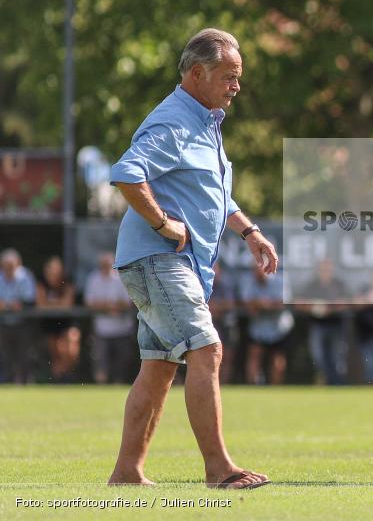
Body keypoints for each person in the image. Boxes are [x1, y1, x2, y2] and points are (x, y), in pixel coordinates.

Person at [107, 28, 278, 489]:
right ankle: (220, 469)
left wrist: (250, 232)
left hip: (173, 264)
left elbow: (214, 195)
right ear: (198, 73)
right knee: (208, 349)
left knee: (160, 366)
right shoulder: (175, 121)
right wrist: (163, 223)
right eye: (229, 75)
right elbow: (127, 173)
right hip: (158, 257)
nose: (236, 85)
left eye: (238, 76)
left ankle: (127, 473)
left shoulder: (205, 122)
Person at [84, 252, 136, 384]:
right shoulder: (93, 278)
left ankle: (118, 383)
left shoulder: (121, 277)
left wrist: (109, 305)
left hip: (122, 328)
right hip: (101, 329)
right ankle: (101, 386)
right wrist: (108, 306)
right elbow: (89, 303)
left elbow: (128, 302)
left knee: (123, 360)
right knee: (100, 362)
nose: (105, 267)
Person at [297, 258, 351, 385]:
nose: (325, 272)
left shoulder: (338, 284)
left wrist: (330, 308)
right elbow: (299, 303)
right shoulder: (313, 285)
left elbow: (348, 302)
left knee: (337, 357)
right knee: (318, 356)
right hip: (318, 325)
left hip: (336, 324)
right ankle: (323, 381)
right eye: (322, 269)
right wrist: (313, 307)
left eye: (327, 269)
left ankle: (337, 385)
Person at [241, 265, 292, 385]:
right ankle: (252, 387)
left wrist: (264, 305)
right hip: (258, 327)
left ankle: (275, 389)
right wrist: (266, 304)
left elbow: (283, 303)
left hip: (279, 327)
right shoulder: (249, 281)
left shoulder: (281, 280)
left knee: (277, 359)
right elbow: (247, 305)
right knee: (254, 355)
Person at [36, 256, 79, 382]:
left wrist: (50, 304)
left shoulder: (67, 281)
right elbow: (41, 305)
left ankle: (65, 375)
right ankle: (59, 379)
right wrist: (58, 304)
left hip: (67, 321)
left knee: (71, 349)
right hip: (49, 322)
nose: (53, 274)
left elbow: (67, 305)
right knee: (56, 352)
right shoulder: (41, 282)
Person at [0, 248, 37, 384]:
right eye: (6, 267)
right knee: (5, 356)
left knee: (24, 355)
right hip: (4, 323)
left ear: (18, 264)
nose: (8, 270)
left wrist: (14, 305)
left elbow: (29, 300)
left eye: (11, 266)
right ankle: (6, 382)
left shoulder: (26, 277)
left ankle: (25, 382)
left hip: (23, 323)